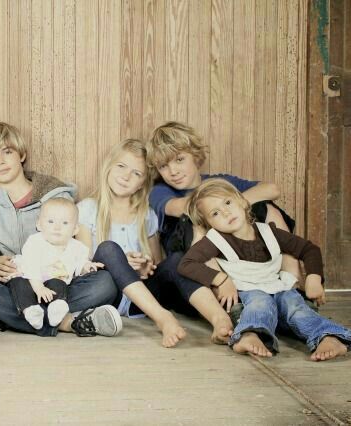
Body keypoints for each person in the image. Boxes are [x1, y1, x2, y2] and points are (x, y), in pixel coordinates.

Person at [0, 122, 122, 338]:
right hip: (14, 285)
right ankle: (69, 322)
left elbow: (76, 246)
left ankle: (3, 318)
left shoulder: (55, 196)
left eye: (7, 152)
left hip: (59, 286)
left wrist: (81, 266)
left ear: (22, 155)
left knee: (107, 283)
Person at [145, 121, 294, 343]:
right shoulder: (160, 191)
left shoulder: (218, 182)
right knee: (193, 220)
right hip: (195, 277)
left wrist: (235, 203)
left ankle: (292, 281)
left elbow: (272, 189)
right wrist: (223, 205)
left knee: (266, 207)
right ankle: (224, 313)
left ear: (195, 156)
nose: (173, 171)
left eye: (179, 160)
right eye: (164, 166)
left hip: (237, 265)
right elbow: (183, 207)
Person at [178, 178, 350, 361]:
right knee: (260, 302)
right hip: (248, 298)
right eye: (215, 213)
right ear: (209, 224)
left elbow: (309, 249)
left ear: (242, 202)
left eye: (228, 203)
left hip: (280, 289)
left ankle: (328, 337)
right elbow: (186, 264)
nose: (226, 212)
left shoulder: (269, 232)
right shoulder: (214, 241)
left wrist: (314, 278)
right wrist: (221, 279)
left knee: (295, 307)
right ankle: (249, 334)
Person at [77, 139, 187, 347]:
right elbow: (84, 266)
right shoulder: (87, 209)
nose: (126, 176)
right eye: (121, 166)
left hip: (141, 303)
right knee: (109, 249)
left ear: (142, 184)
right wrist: (119, 262)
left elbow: (157, 262)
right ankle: (163, 318)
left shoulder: (146, 215)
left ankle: (223, 320)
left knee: (177, 261)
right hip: (111, 295)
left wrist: (146, 267)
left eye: (136, 173)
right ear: (108, 167)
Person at [11, 198, 101, 330]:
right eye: (50, 221)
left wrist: (86, 267)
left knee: (59, 283)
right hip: (31, 282)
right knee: (18, 283)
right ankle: (30, 311)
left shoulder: (76, 247)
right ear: (39, 224)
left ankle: (56, 309)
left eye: (65, 223)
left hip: (55, 287)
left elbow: (79, 263)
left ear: (75, 229)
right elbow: (31, 267)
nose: (57, 227)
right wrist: (39, 288)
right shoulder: (35, 242)